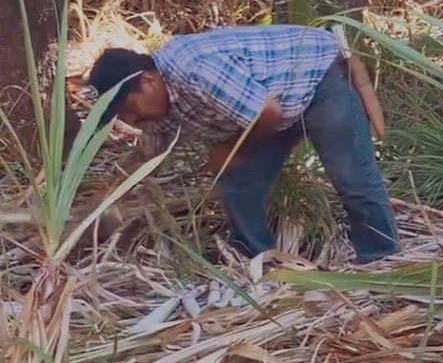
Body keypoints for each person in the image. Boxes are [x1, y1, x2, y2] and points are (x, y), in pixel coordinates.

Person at [86, 24, 399, 263]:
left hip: (316, 80)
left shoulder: (195, 70)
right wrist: (102, 199)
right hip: (268, 106)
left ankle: (382, 258)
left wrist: (233, 149)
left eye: (128, 107)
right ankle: (259, 261)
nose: (129, 119)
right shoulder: (158, 107)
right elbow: (147, 156)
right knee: (237, 178)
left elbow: (268, 113)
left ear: (149, 82)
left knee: (351, 176)